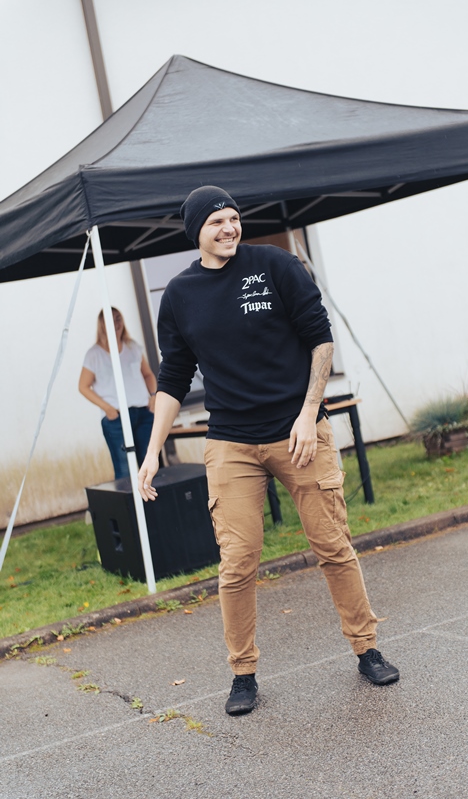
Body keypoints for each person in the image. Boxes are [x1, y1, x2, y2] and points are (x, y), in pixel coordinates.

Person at [138, 185, 399, 715]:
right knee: (237, 561)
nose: (229, 228)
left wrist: (308, 414)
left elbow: (321, 339)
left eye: (233, 218)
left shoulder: (275, 265)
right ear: (196, 232)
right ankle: (243, 673)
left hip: (298, 432)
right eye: (216, 222)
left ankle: (367, 648)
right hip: (231, 441)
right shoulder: (180, 295)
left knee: (332, 544)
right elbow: (173, 377)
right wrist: (151, 453)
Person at [79, 307, 157, 479]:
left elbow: (148, 375)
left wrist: (153, 397)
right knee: (125, 471)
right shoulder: (94, 355)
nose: (116, 323)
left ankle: (152, 498)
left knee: (150, 468)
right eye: (110, 319)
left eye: (118, 318)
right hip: (116, 419)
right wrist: (107, 408)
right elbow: (83, 386)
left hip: (143, 414)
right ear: (102, 324)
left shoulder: (133, 347)